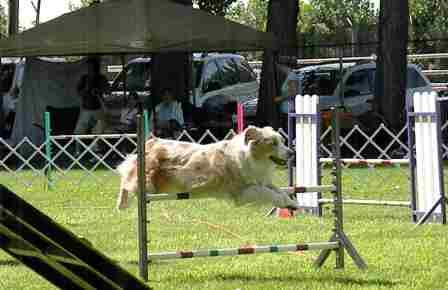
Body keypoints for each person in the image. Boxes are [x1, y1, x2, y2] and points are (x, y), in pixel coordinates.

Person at [74, 56, 110, 155]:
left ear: (96, 67)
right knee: (78, 131)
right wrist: (86, 89)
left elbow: (108, 91)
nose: (90, 69)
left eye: (92, 67)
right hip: (85, 109)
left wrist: (99, 91)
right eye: (88, 67)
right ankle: (78, 151)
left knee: (98, 131)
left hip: (98, 108)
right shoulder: (84, 78)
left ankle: (97, 152)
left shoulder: (101, 78)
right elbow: (78, 92)